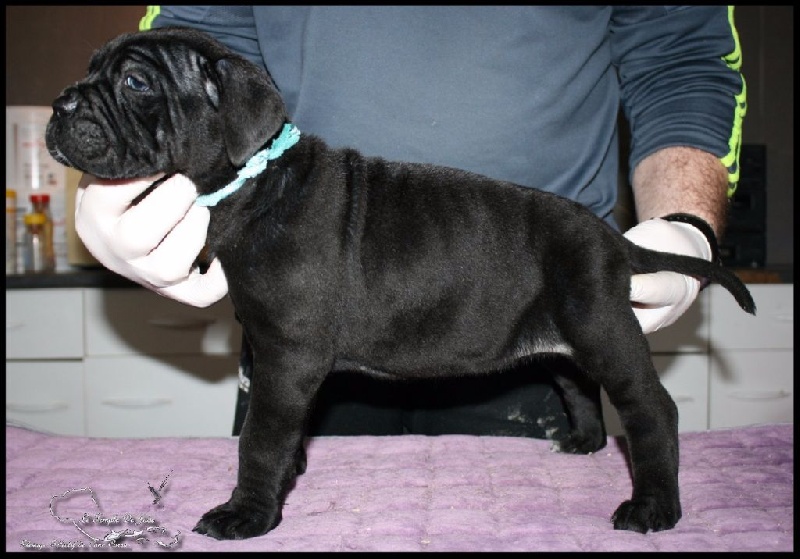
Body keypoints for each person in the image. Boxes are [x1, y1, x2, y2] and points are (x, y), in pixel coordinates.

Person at [74, 6, 746, 439]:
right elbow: (188, 41)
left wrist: (685, 221)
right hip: (299, 309)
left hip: (529, 305)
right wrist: (118, 168)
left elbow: (683, 58)